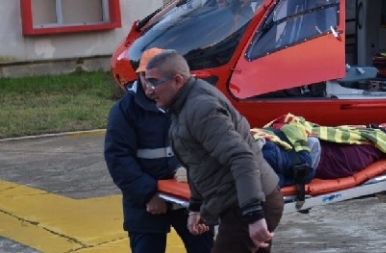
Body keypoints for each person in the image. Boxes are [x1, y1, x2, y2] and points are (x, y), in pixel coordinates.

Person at [144, 49, 283, 253]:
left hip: (247, 204)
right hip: (245, 201)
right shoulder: (182, 104)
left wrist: (253, 214)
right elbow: (198, 161)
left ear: (177, 80)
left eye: (154, 82)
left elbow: (241, 157)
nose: (149, 90)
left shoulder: (201, 108)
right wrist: (196, 206)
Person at [104, 47, 214, 253]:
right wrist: (149, 194)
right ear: (139, 76)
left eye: (156, 80)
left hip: (190, 196)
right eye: (146, 78)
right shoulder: (125, 110)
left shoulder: (189, 101)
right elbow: (118, 158)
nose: (150, 87)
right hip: (145, 201)